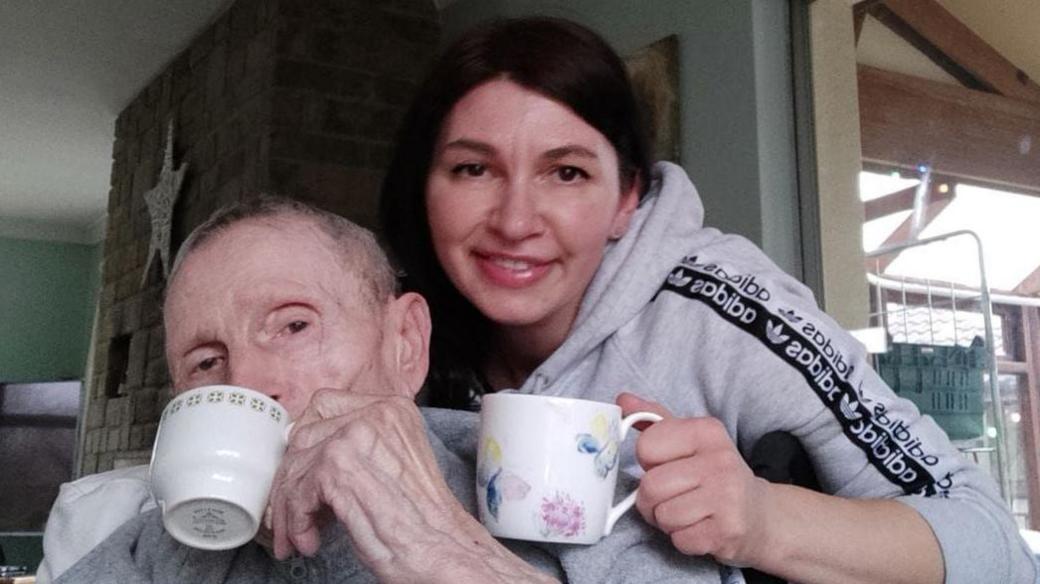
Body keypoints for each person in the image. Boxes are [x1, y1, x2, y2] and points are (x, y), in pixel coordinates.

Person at [379, 16, 1038, 584]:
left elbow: (994, 546)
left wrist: (763, 519)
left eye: (568, 172)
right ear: (425, 185)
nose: (516, 220)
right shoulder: (400, 331)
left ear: (626, 198)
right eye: (473, 168)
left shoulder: (722, 316)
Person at [38, 197, 734, 583]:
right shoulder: (160, 548)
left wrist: (441, 551)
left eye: (292, 324)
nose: (248, 383)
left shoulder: (568, 492)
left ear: (405, 344)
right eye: (206, 363)